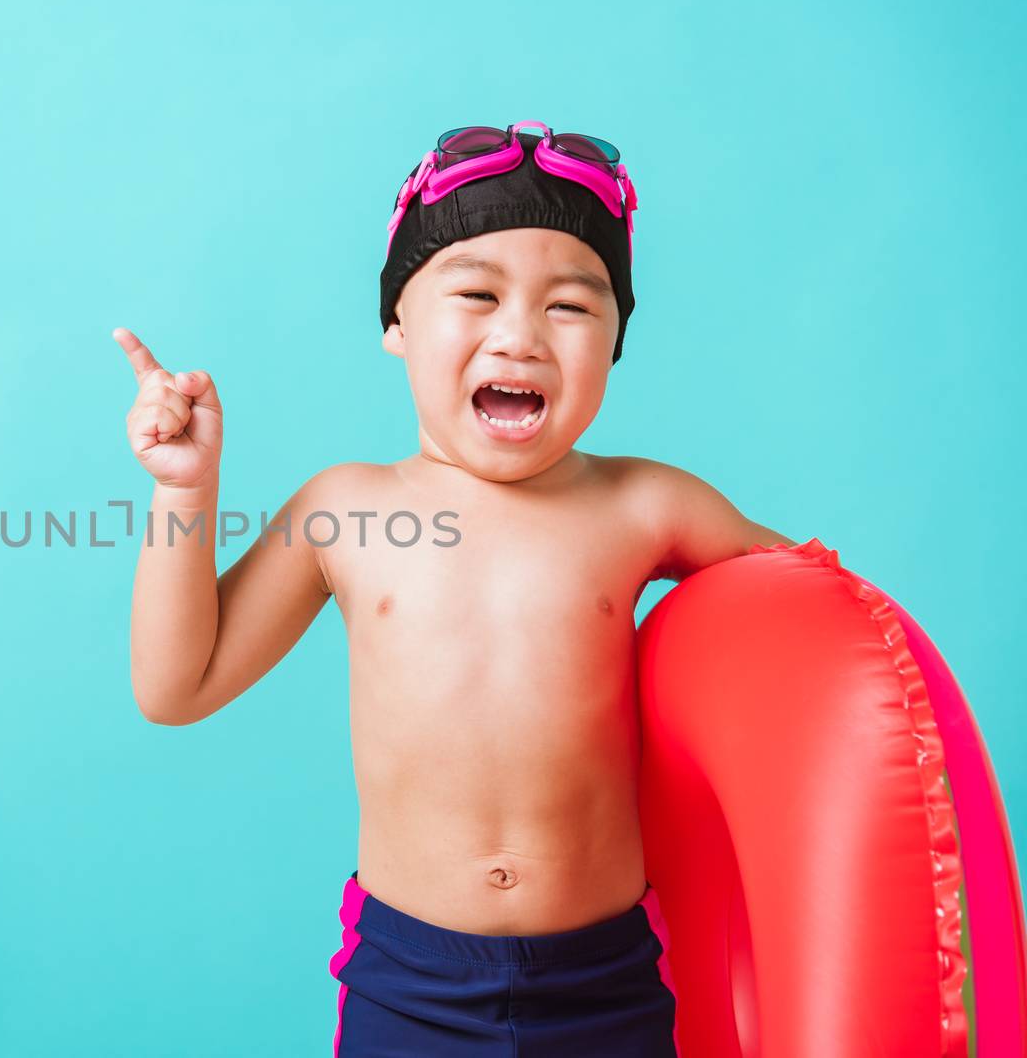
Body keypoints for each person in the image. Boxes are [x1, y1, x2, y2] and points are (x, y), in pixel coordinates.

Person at [113, 120, 795, 1056]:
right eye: (476, 293)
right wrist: (184, 490)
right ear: (396, 324)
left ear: (615, 343)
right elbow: (174, 686)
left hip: (613, 978)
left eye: (572, 307)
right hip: (411, 983)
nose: (519, 335)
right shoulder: (349, 508)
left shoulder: (647, 505)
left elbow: (820, 625)